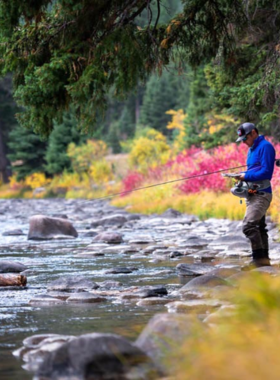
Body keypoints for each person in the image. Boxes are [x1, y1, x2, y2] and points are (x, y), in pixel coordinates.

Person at [235, 122, 275, 267]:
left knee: (249, 226)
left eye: (246, 138)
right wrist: (242, 175)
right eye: (242, 140)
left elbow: (266, 173)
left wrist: (245, 177)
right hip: (252, 193)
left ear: (253, 133)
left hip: (262, 193)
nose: (244, 142)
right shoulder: (252, 148)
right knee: (259, 227)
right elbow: (253, 170)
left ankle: (258, 259)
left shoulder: (265, 147)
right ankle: (264, 261)